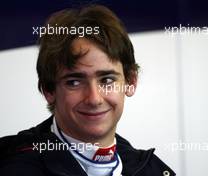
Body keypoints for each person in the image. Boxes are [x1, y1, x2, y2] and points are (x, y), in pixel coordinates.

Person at [0, 4, 176, 176]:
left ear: (130, 82)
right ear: (49, 90)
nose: (94, 99)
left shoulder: (154, 170)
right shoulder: (11, 166)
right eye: (74, 82)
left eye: (107, 80)